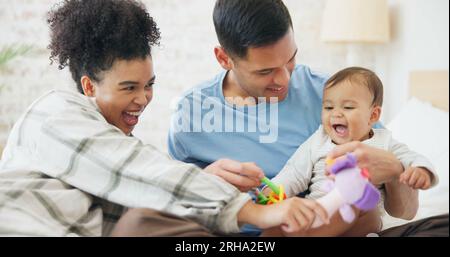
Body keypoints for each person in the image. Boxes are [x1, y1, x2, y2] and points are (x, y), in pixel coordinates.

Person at [0, 0, 328, 236]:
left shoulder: (328, 94)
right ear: (89, 86)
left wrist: (205, 177)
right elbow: (140, 171)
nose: (143, 99)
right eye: (129, 87)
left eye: (149, 85)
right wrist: (258, 211)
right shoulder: (53, 114)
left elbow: (149, 186)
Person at [168, 0, 430, 234]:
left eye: (291, 59)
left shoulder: (330, 96)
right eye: (266, 71)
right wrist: (204, 183)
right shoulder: (191, 114)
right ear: (224, 58)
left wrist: (395, 171)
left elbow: (405, 212)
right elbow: (169, 202)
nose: (284, 79)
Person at [261, 67, 438, 236]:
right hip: (318, 213)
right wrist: (273, 193)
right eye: (329, 107)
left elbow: (412, 159)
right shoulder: (318, 140)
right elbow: (294, 174)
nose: (336, 114)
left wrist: (422, 171)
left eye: (348, 107)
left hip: (358, 221)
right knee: (275, 225)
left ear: (373, 116)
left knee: (364, 205)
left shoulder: (385, 142)